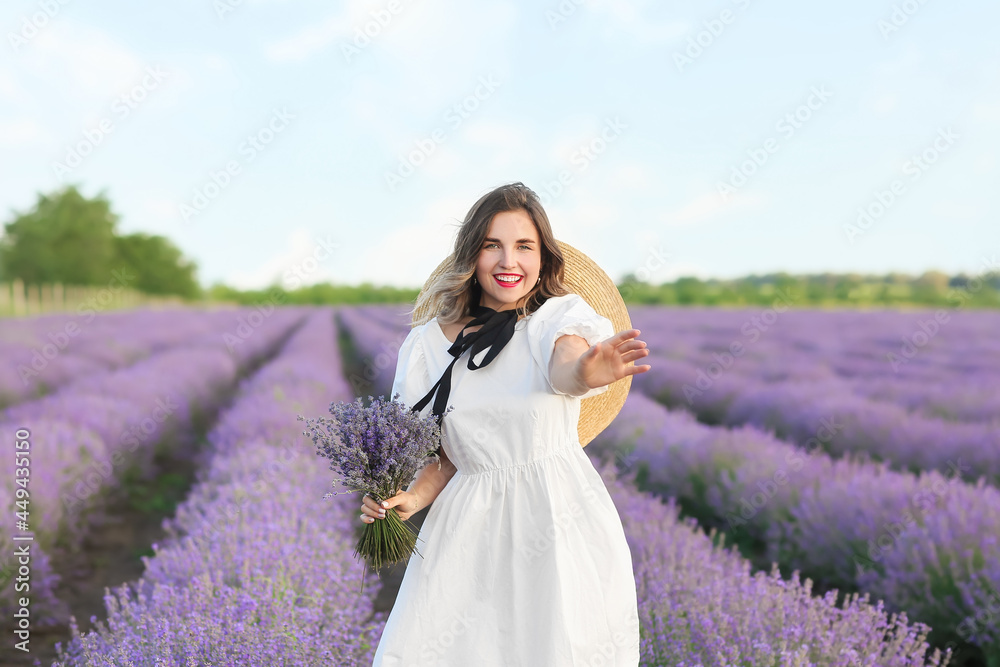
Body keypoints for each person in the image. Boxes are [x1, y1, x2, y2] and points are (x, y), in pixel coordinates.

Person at [362, 182, 650, 666]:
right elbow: (448, 455)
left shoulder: (555, 319)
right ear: (472, 254)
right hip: (468, 528)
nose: (507, 261)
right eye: (492, 245)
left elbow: (565, 364)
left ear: (543, 259)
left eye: (523, 246)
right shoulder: (428, 346)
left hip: (558, 520)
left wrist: (584, 373)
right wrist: (409, 499)